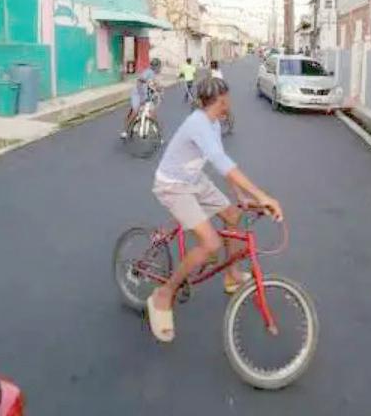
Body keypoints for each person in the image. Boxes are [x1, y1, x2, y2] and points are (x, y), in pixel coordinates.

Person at [146, 76, 283, 342]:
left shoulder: (214, 123)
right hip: (173, 185)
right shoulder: (197, 123)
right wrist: (263, 196)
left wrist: (240, 196)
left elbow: (222, 162)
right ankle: (164, 294)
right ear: (220, 101)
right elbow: (223, 163)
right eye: (226, 100)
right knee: (210, 244)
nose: (229, 104)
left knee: (233, 214)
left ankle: (231, 276)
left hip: (194, 179)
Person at [120, 58, 162, 139]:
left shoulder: (153, 74)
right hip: (137, 94)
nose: (159, 68)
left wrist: (158, 90)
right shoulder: (148, 72)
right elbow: (139, 82)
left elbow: (153, 85)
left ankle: (158, 133)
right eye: (159, 67)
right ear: (155, 66)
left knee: (152, 113)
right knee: (135, 112)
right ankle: (125, 131)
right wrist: (142, 97)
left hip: (146, 95)